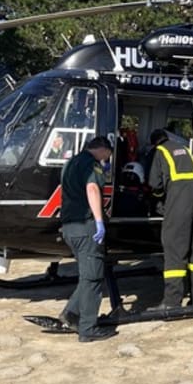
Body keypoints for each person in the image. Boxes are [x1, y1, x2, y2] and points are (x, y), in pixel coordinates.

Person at [58, 136, 117, 342]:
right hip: (86, 226)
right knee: (93, 277)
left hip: (69, 228)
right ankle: (88, 329)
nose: (107, 159)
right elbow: (92, 188)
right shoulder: (91, 164)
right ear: (102, 150)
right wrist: (99, 221)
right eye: (108, 155)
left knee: (86, 275)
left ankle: (70, 314)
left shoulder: (71, 162)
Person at [148, 128, 193, 308]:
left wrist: (159, 198)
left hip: (180, 195)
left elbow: (155, 184)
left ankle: (172, 302)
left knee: (175, 247)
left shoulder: (160, 151)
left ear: (155, 142)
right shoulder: (184, 149)